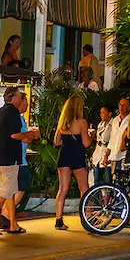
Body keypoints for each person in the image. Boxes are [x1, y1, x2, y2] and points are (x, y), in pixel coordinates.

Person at [0, 87, 36, 236]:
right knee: (4, 192)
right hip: (10, 158)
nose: (21, 99)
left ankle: (13, 224)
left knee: (9, 191)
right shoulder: (13, 113)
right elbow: (14, 135)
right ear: (14, 98)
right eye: (19, 96)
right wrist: (30, 134)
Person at [0, 93, 39, 230]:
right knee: (19, 188)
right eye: (26, 102)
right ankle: (5, 214)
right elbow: (23, 137)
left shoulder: (17, 118)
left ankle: (8, 217)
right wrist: (32, 135)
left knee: (11, 190)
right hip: (18, 160)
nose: (27, 106)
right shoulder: (17, 118)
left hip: (14, 158)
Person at [54, 95, 92, 230]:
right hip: (76, 155)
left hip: (64, 155)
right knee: (84, 188)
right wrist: (91, 135)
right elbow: (86, 143)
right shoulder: (82, 122)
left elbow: (56, 142)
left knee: (62, 188)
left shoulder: (62, 122)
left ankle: (58, 219)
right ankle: (87, 217)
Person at [106, 97, 130, 177]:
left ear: (129, 107)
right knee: (114, 180)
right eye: (120, 105)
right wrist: (107, 154)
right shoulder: (115, 120)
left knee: (124, 179)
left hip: (124, 155)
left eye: (124, 105)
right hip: (114, 155)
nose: (121, 107)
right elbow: (112, 139)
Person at [91, 104, 113, 186]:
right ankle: (97, 197)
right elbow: (98, 140)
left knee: (108, 179)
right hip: (98, 152)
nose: (101, 115)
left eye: (103, 113)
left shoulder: (113, 124)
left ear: (109, 113)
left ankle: (108, 197)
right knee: (96, 179)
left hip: (108, 152)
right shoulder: (100, 125)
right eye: (101, 113)